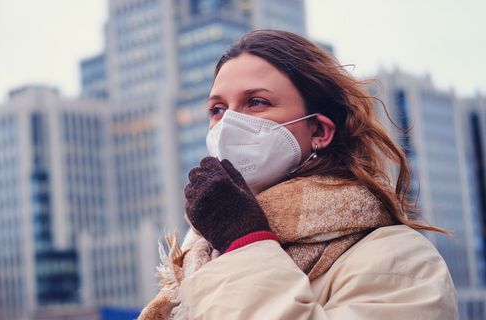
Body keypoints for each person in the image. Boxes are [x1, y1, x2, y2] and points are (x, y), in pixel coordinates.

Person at [139, 30, 457, 320]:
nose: (228, 124)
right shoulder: (200, 253)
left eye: (257, 102)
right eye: (218, 109)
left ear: (318, 130)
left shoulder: (401, 260)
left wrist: (245, 242)